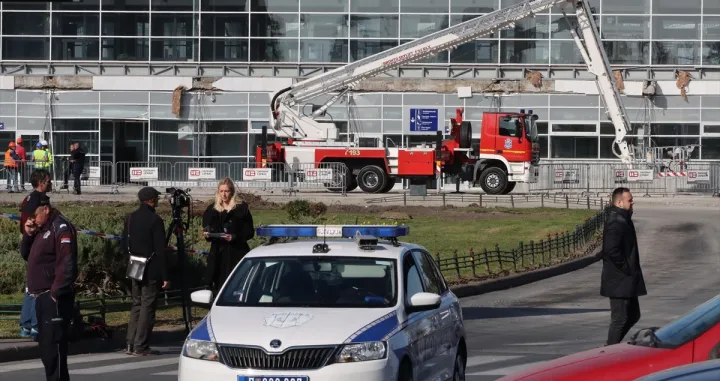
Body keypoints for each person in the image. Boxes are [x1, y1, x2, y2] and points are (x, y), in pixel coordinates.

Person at [20, 195, 78, 381]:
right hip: (40, 297)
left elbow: (66, 262)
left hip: (54, 297)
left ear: (45, 209)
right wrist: (28, 234)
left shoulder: (59, 227)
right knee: (47, 350)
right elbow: (26, 255)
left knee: (55, 350)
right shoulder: (41, 228)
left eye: (34, 214)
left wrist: (56, 291)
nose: (32, 219)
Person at [122, 187, 171, 356]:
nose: (157, 200)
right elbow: (160, 250)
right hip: (150, 267)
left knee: (136, 304)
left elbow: (123, 244)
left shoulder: (130, 218)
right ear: (150, 200)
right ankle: (141, 344)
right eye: (156, 198)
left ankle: (130, 343)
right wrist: (165, 276)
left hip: (134, 265)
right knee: (147, 306)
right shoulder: (155, 220)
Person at [600, 187, 647, 346]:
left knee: (634, 315)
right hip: (619, 279)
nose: (633, 202)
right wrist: (626, 268)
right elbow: (610, 250)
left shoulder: (624, 219)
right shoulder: (616, 222)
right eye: (630, 200)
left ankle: (613, 345)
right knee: (619, 319)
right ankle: (608, 351)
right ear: (619, 203)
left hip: (627, 278)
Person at [202, 178, 255, 293]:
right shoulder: (212, 209)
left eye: (227, 191)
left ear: (232, 192)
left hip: (236, 252)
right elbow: (207, 227)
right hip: (218, 253)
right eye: (221, 191)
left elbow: (250, 232)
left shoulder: (241, 208)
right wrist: (208, 234)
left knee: (237, 283)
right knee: (219, 285)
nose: (224, 194)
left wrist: (234, 237)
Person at [17, 169, 53, 339]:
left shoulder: (31, 198)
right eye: (48, 180)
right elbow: (32, 222)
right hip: (36, 246)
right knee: (38, 289)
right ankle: (34, 325)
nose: (51, 182)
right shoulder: (38, 200)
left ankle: (26, 325)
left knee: (31, 287)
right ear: (41, 183)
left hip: (31, 243)